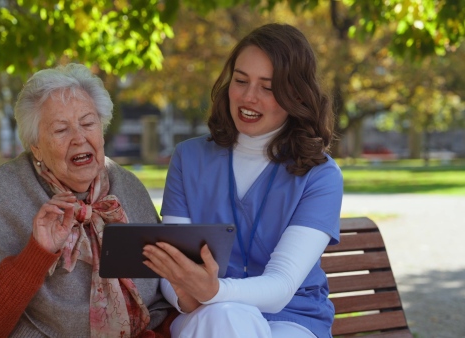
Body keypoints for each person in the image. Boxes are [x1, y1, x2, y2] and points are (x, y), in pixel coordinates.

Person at [0, 63, 173, 337]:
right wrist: (37, 253)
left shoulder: (127, 188)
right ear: (35, 146)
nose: (79, 138)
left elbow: (160, 299)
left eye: (87, 123)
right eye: (61, 130)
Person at [142, 23, 343, 338]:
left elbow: (281, 287)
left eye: (268, 86)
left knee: (229, 316)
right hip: (205, 315)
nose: (249, 97)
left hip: (292, 319)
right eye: (240, 80)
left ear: (296, 94)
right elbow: (174, 267)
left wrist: (212, 289)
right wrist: (189, 294)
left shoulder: (321, 176)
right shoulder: (188, 159)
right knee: (225, 317)